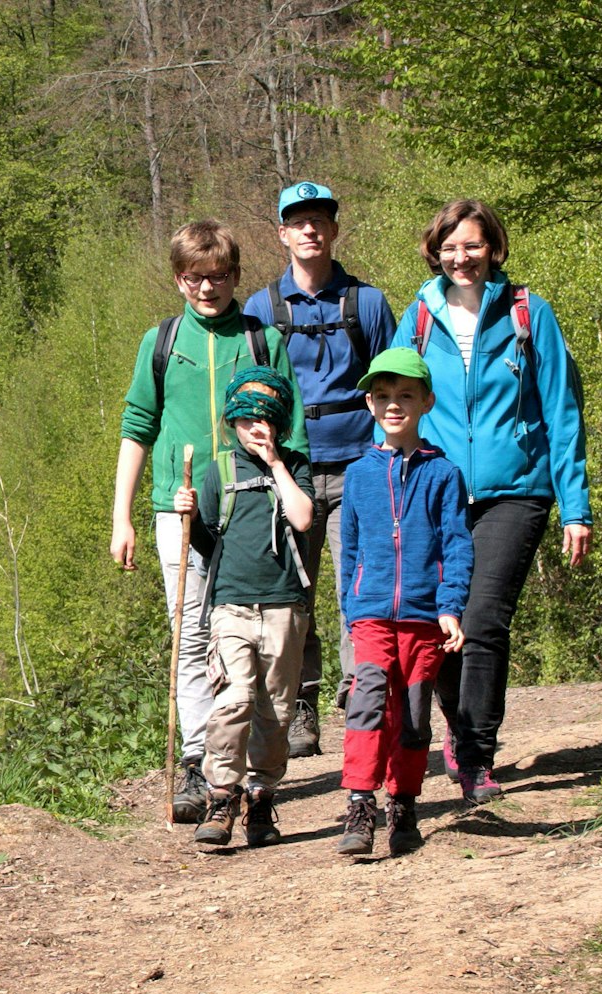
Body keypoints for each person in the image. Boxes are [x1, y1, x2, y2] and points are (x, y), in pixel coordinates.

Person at [394, 199, 591, 804]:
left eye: (473, 246)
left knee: (481, 621)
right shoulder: (420, 317)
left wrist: (575, 506)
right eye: (451, 248)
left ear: (493, 248)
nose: (462, 258)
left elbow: (561, 411)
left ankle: (477, 756)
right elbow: (392, 402)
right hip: (440, 490)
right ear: (436, 252)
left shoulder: (531, 314)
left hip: (517, 491)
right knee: (441, 623)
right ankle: (457, 726)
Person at [111, 220, 306, 824]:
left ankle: (250, 770)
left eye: (219, 276)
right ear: (178, 279)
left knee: (262, 639)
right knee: (192, 637)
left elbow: (292, 427)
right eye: (195, 277)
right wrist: (122, 516)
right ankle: (201, 765)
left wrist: (282, 487)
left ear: (236, 277)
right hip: (181, 506)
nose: (207, 288)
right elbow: (137, 425)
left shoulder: (262, 339)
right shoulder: (161, 342)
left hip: (254, 507)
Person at [243, 182, 399, 759]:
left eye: (320, 220)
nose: (310, 230)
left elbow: (393, 384)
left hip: (362, 464)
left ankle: (362, 693)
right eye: (298, 222)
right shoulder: (262, 308)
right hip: (293, 470)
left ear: (334, 230)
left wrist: (394, 458)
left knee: (360, 584)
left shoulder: (368, 303)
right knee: (294, 591)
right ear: (282, 233)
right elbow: (251, 393)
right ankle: (301, 703)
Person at [335, 348, 473, 855]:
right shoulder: (359, 475)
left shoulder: (444, 475)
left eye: (405, 396)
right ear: (370, 405)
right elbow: (349, 549)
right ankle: (359, 805)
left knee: (414, 717)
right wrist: (352, 607)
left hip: (423, 618)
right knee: (367, 705)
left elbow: (457, 546)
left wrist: (450, 606)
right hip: (371, 615)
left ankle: (404, 804)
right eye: (384, 396)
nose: (394, 405)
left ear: (427, 402)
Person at [172, 368, 314, 848]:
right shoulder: (218, 471)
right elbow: (208, 543)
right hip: (230, 603)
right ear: (232, 422)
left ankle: (261, 799)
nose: (256, 429)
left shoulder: (295, 465)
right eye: (247, 420)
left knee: (274, 711)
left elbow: (303, 517)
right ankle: (221, 797)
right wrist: (188, 513)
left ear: (279, 423)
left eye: (265, 420)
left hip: (285, 606)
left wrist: (276, 465)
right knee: (233, 701)